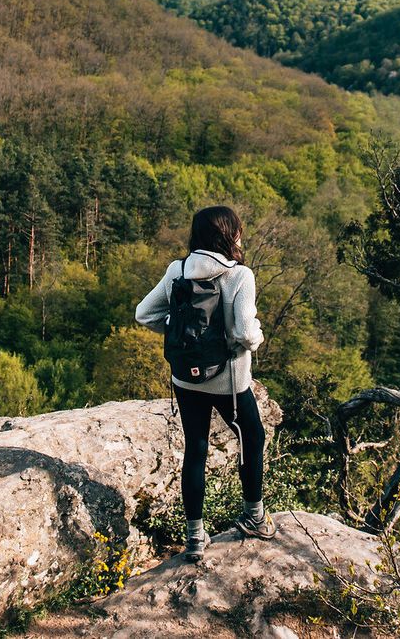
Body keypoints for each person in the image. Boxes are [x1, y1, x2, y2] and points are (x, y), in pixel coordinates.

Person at [135, 205, 277, 562]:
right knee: (253, 438)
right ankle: (254, 516)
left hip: (185, 377)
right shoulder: (239, 275)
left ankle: (195, 539)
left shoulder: (177, 270)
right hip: (228, 380)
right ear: (228, 235)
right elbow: (246, 331)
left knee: (195, 449)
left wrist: (182, 338)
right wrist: (254, 340)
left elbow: (144, 314)